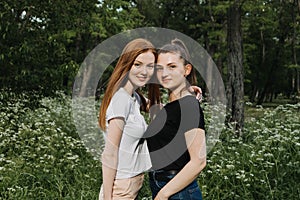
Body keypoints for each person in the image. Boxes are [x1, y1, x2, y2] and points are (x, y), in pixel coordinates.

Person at [144, 39, 206, 200]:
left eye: (172, 67)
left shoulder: (188, 106)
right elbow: (147, 104)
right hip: (164, 186)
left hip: (177, 191)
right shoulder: (173, 106)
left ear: (186, 70)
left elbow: (198, 162)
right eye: (160, 68)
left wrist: (163, 195)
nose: (164, 73)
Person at [98, 38, 156, 200]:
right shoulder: (121, 100)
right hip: (120, 188)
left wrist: (186, 93)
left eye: (150, 66)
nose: (144, 71)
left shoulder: (134, 97)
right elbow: (109, 154)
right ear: (127, 64)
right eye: (137, 64)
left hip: (130, 185)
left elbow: (157, 107)